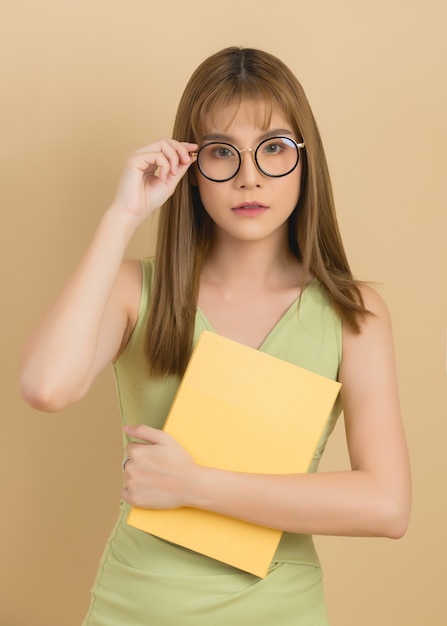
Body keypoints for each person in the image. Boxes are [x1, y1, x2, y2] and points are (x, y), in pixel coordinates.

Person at [19, 47, 411, 625]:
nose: (249, 177)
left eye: (274, 147)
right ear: (190, 163)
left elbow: (386, 505)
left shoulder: (355, 315)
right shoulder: (136, 289)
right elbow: (46, 386)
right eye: (222, 152)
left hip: (279, 610)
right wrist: (123, 214)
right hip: (136, 606)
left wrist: (197, 486)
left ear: (307, 161)